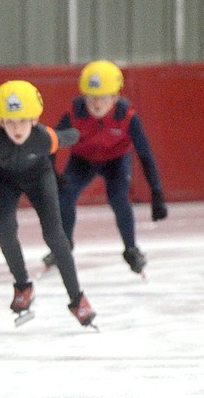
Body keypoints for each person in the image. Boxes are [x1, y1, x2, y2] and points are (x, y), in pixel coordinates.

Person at [0, 80, 96, 327]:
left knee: (55, 236)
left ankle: (77, 300)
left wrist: (83, 129)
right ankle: (23, 287)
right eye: (10, 121)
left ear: (34, 120)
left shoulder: (44, 138)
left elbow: (71, 135)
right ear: (0, 121)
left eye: (23, 120)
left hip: (39, 178)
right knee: (4, 230)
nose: (17, 128)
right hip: (4, 181)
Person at [42, 60, 168, 274]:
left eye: (102, 98)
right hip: (82, 161)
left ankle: (131, 249)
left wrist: (156, 192)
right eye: (91, 98)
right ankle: (64, 245)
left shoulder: (127, 117)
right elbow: (51, 142)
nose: (96, 104)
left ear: (115, 97)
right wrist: (52, 174)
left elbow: (144, 154)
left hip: (115, 162)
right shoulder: (76, 112)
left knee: (119, 199)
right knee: (65, 197)